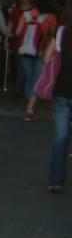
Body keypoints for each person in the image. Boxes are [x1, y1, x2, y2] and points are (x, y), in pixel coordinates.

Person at [5, 0, 47, 120]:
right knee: (31, 75)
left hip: (24, 47)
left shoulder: (22, 13)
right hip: (33, 48)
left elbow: (14, 30)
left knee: (28, 74)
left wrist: (9, 39)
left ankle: (28, 101)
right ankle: (29, 103)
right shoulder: (36, 13)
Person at [45, 20, 72, 194]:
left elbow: (46, 58)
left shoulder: (62, 31)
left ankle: (55, 181)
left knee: (61, 138)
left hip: (62, 91)